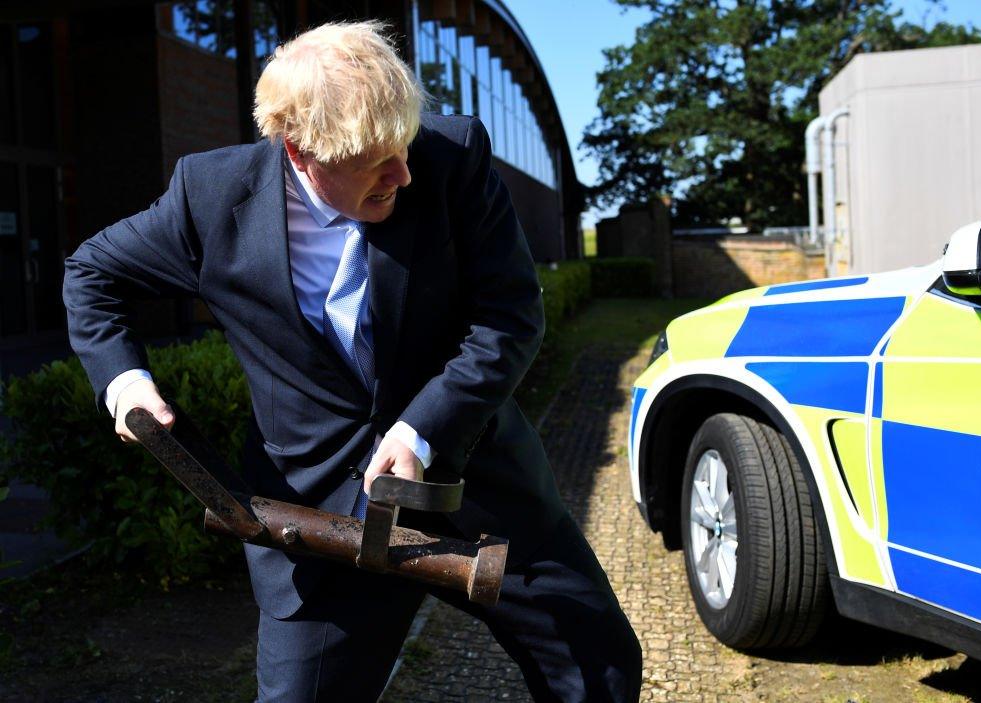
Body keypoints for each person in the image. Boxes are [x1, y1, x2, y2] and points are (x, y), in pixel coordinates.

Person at [63, 20, 642, 702]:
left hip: (475, 486)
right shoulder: (209, 197)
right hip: (314, 518)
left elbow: (510, 317)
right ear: (301, 150)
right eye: (377, 158)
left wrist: (423, 428)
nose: (403, 171)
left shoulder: (452, 159)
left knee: (601, 667)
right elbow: (91, 274)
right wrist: (125, 381)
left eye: (405, 145)